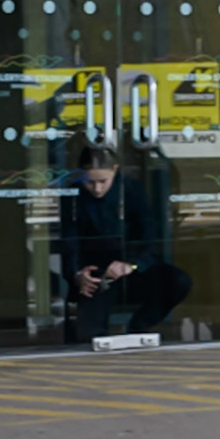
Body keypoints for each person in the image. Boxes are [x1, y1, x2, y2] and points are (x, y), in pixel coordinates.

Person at [57, 144, 190, 343]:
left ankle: (139, 326)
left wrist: (132, 264)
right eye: (90, 182)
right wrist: (77, 275)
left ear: (115, 170)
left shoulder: (132, 190)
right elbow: (70, 241)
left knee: (178, 281)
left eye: (103, 181)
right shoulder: (73, 196)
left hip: (133, 271)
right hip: (96, 276)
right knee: (86, 338)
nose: (97, 189)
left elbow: (150, 239)